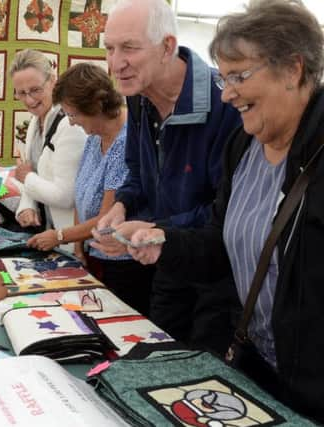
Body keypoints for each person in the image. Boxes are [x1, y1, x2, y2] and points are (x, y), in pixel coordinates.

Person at [125, 0, 324, 421]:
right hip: (260, 373)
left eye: (239, 76)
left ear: (293, 69)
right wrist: (167, 242)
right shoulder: (244, 146)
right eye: (224, 78)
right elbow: (221, 242)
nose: (228, 92)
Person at [92, 0, 242, 352]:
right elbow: (136, 172)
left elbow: (227, 209)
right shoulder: (138, 96)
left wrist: (156, 230)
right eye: (110, 49)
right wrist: (123, 206)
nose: (116, 63)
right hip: (168, 265)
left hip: (215, 277)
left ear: (167, 47)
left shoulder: (226, 105)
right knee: (156, 359)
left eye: (129, 47)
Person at [27, 63, 153, 314]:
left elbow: (104, 220)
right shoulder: (95, 137)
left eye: (73, 115)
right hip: (94, 254)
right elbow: (80, 193)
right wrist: (77, 249)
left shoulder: (126, 142)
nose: (71, 123)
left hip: (125, 264)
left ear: (95, 106)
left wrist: (60, 236)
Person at [10, 49, 87, 241]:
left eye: (35, 90)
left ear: (53, 80)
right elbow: (36, 175)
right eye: (21, 93)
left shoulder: (70, 124)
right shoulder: (35, 123)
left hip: (71, 238)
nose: (29, 100)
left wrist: (26, 177)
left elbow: (66, 196)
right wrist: (27, 206)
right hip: (49, 235)